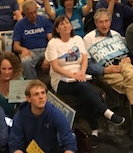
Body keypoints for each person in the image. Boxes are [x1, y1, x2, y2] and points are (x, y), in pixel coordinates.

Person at [45, 15, 125, 147]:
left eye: (67, 23)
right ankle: (106, 113)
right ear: (57, 29)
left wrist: (82, 72)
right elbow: (55, 67)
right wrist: (73, 75)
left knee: (85, 93)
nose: (65, 26)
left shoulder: (77, 39)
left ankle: (94, 132)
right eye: (61, 24)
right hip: (61, 80)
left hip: (80, 77)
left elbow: (84, 60)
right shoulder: (53, 43)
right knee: (83, 87)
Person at [84, 9, 133, 111]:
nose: (104, 25)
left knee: (130, 75)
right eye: (101, 22)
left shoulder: (116, 34)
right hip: (107, 71)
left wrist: (128, 58)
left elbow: (128, 52)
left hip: (123, 65)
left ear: (110, 22)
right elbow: (88, 64)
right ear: (96, 23)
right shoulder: (88, 39)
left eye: (106, 21)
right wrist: (104, 70)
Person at [9, 80, 77, 153]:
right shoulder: (19, 116)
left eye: (43, 93)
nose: (41, 97)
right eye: (36, 94)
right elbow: (15, 145)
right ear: (28, 98)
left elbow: (70, 142)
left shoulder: (55, 114)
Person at [12, 0, 53, 80]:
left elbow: (51, 41)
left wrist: (48, 56)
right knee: (26, 61)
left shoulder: (44, 21)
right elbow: (16, 46)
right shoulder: (19, 25)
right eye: (30, 13)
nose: (33, 15)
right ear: (25, 13)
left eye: (35, 12)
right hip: (30, 51)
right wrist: (23, 49)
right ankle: (32, 83)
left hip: (45, 49)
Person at [0, 52, 24, 118]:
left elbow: (21, 105)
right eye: (3, 69)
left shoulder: (19, 80)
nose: (7, 72)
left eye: (10, 68)